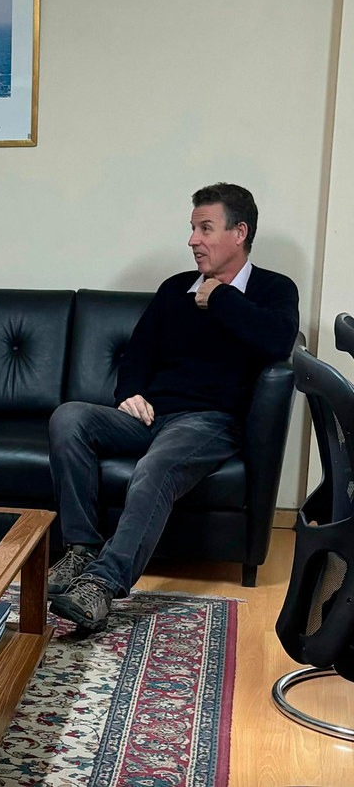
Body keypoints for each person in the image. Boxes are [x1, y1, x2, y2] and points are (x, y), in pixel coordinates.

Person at [47, 183, 300, 631]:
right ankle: (81, 549)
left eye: (205, 228)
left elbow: (278, 342)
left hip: (209, 422)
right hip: (149, 416)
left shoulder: (273, 290)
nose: (192, 240)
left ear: (239, 232)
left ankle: (102, 586)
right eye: (192, 229)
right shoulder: (174, 290)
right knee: (69, 417)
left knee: (155, 468)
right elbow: (137, 355)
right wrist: (130, 393)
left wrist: (220, 297)